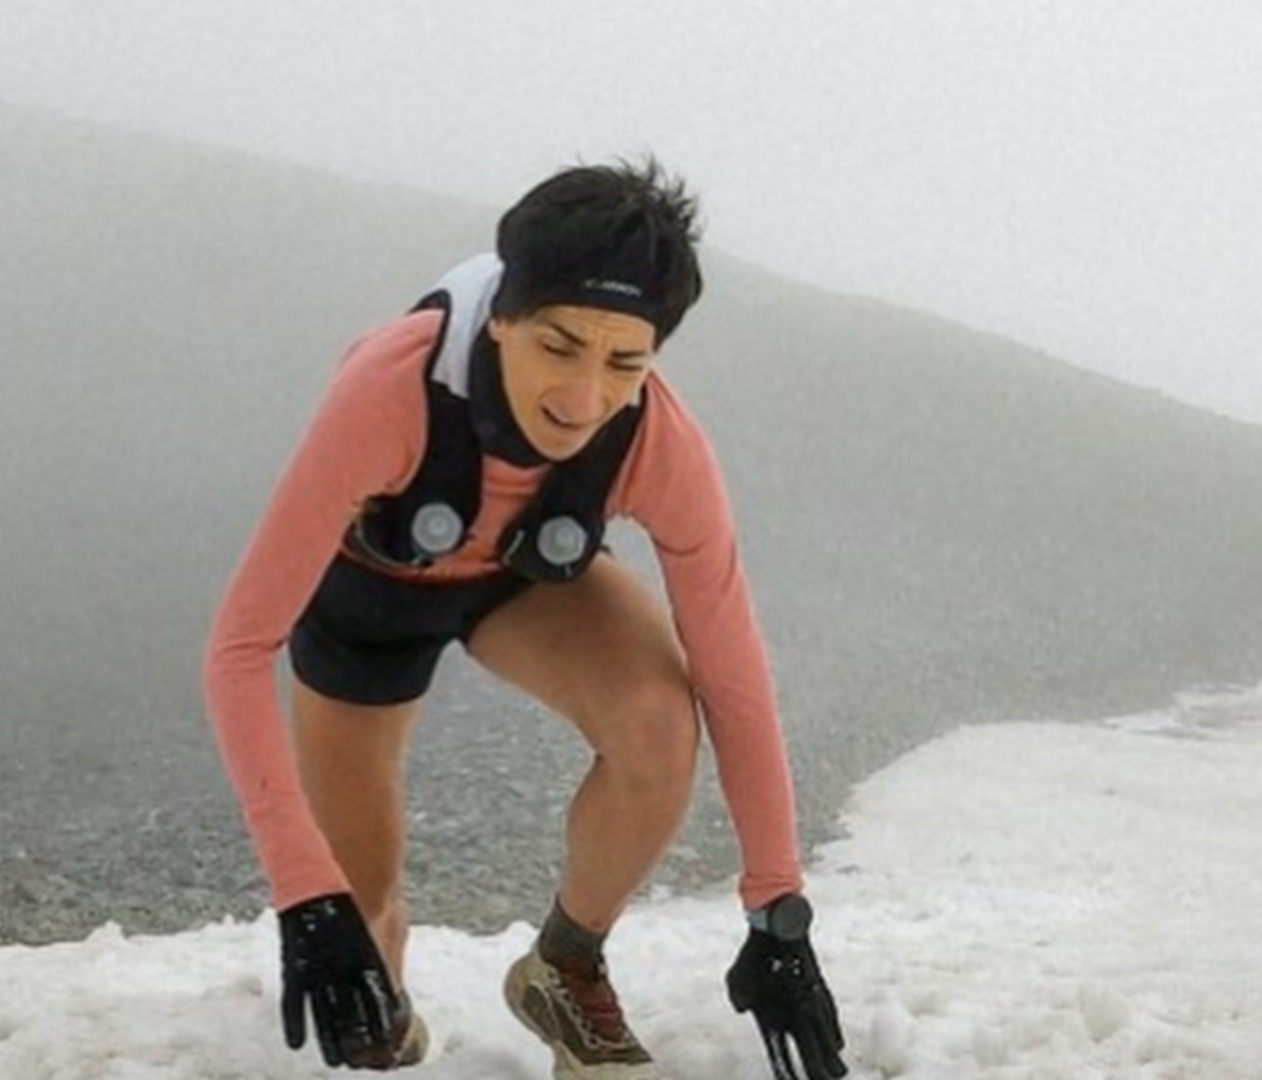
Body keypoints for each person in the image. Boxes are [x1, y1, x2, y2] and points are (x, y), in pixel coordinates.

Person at [203, 159, 846, 1079]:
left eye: (625, 363)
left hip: (525, 581)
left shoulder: (658, 439)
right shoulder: (389, 388)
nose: (583, 399)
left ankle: (564, 967)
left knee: (660, 726)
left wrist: (777, 912)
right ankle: (386, 975)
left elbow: (732, 671)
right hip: (370, 602)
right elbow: (238, 649)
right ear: (502, 315)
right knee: (360, 941)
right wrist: (306, 897)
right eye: (559, 345)